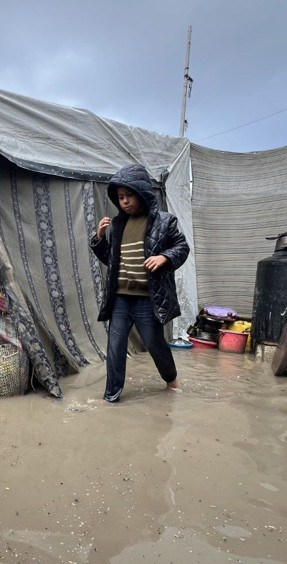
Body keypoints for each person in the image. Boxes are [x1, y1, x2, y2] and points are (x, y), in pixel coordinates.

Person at [90, 163, 190, 403]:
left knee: (155, 344)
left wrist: (164, 257)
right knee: (115, 348)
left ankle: (172, 380)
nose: (124, 201)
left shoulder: (164, 222)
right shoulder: (116, 225)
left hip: (147, 298)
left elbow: (182, 248)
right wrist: (99, 238)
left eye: (129, 194)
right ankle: (110, 396)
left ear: (142, 192)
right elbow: (109, 260)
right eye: (120, 197)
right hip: (121, 299)